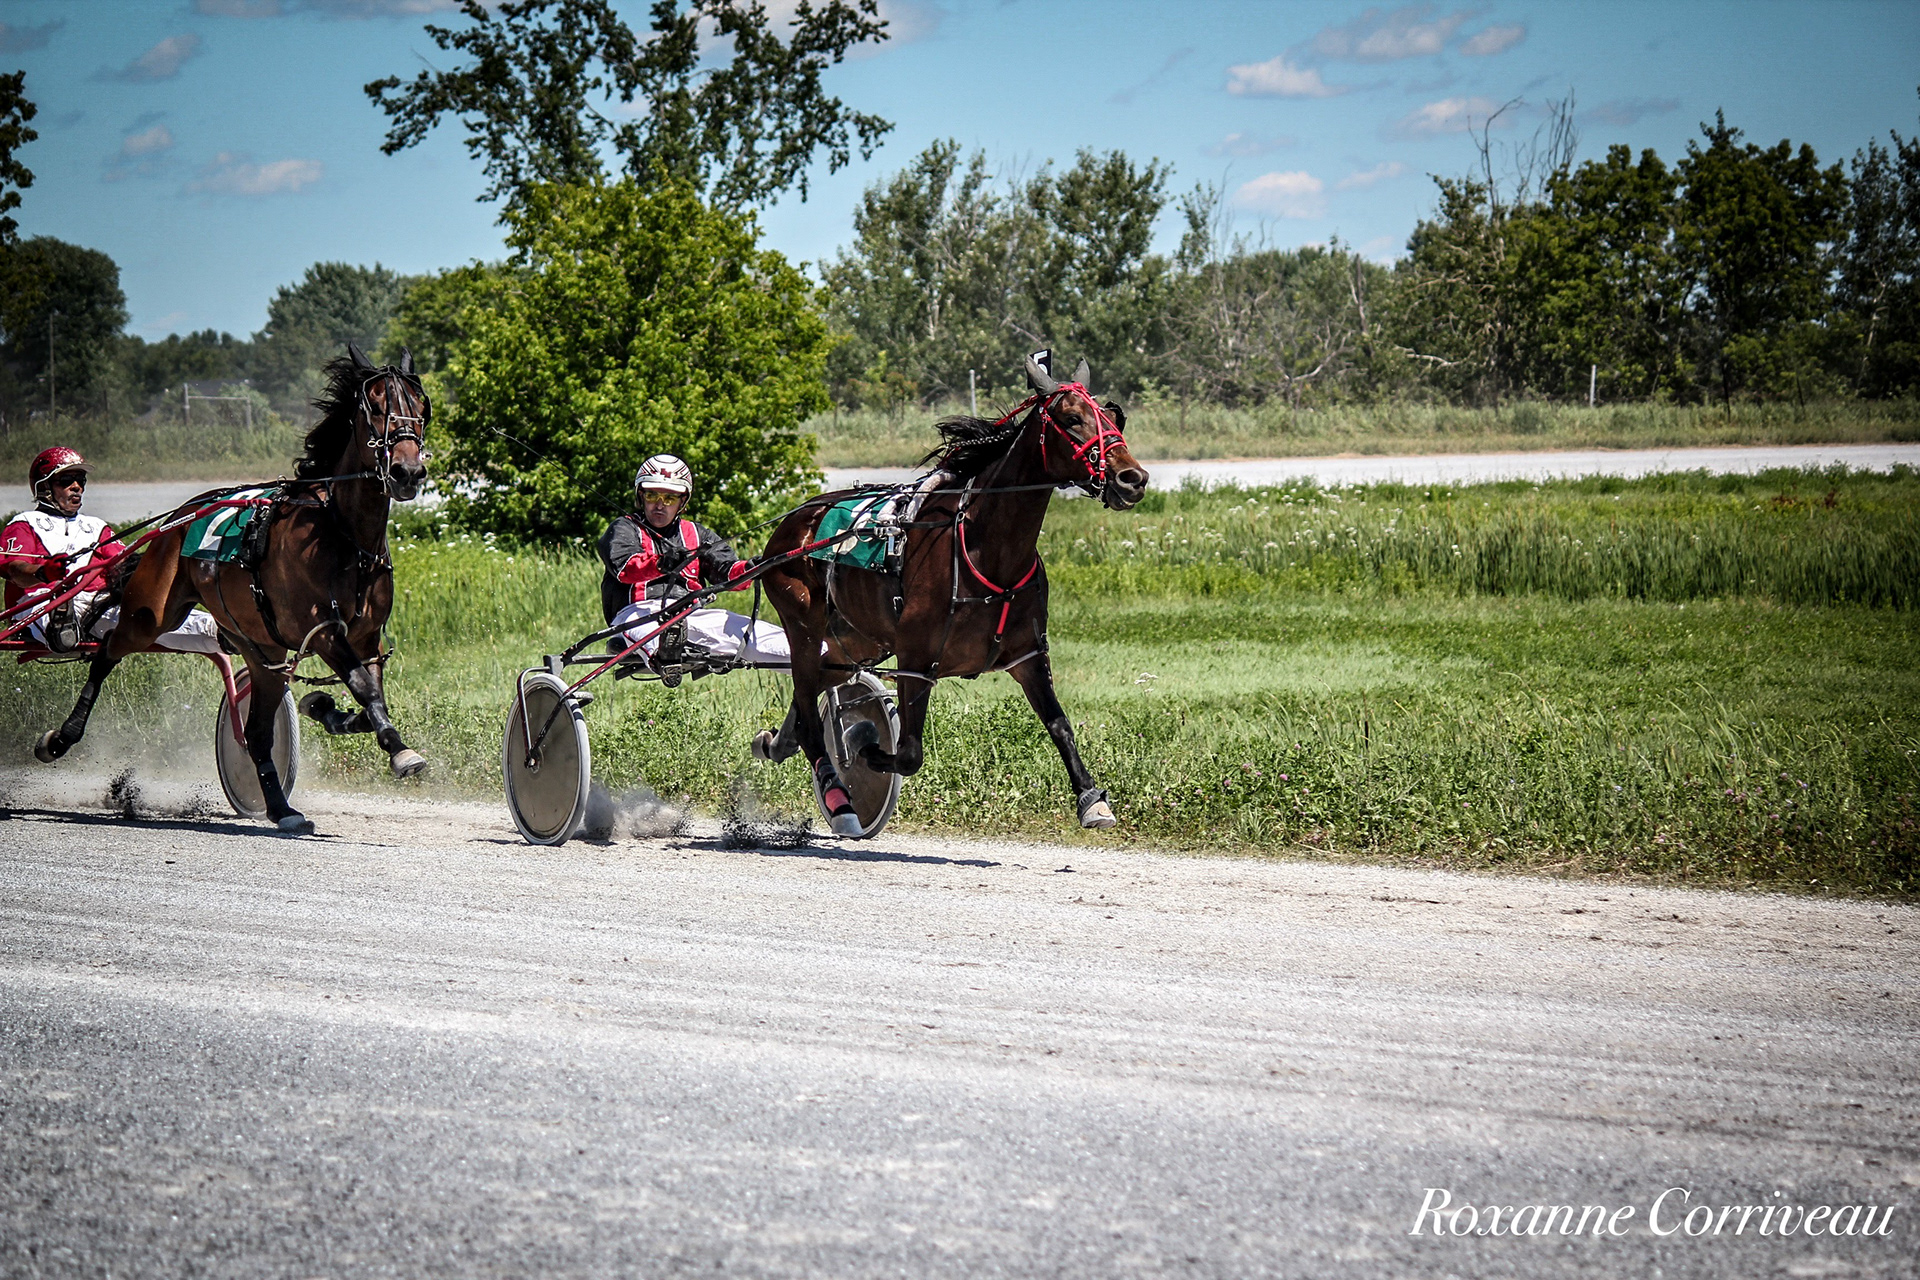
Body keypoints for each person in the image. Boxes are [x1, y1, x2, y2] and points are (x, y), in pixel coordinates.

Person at [0, 446, 221, 654]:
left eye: (81, 480)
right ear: (44, 486)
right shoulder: (25, 523)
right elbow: (15, 570)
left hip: (97, 604)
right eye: (67, 480)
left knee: (153, 619)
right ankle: (61, 626)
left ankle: (225, 633)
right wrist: (43, 573)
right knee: (53, 605)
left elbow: (124, 567)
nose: (77, 486)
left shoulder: (96, 527)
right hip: (40, 600)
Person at [596, 454, 790, 665]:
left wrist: (751, 569)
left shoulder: (697, 534)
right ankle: (666, 654)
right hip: (636, 614)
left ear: (683, 501)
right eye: (652, 496)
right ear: (640, 496)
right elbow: (625, 568)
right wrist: (662, 563)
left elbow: (726, 571)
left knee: (775, 641)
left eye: (669, 498)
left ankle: (823, 659)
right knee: (652, 632)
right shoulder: (624, 528)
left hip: (691, 616)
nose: (660, 505)